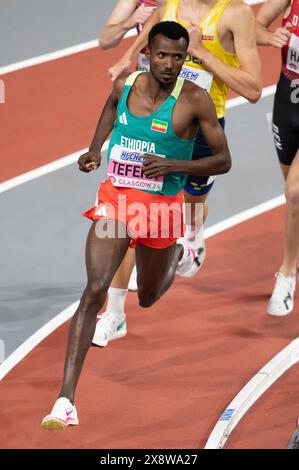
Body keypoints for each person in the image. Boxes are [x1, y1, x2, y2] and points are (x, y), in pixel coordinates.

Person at [41, 21, 231, 430]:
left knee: (146, 297)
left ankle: (179, 251)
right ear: (147, 52)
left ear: (186, 57)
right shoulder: (125, 84)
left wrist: (174, 164)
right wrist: (94, 149)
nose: (169, 64)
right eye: (162, 55)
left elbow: (223, 160)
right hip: (117, 203)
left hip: (162, 212)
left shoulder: (195, 100)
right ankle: (65, 400)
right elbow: (110, 107)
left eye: (178, 57)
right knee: (94, 289)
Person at [93, 0, 262, 348]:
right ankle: (114, 312)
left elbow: (254, 89)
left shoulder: (236, 14)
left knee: (193, 203)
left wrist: (202, 52)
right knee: (130, 210)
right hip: (157, 120)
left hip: (200, 122)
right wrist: (125, 61)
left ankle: (190, 237)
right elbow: (148, 42)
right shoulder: (170, 4)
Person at [97, 1, 160, 339]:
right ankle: (116, 313)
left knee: (177, 197)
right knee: (131, 197)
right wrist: (126, 25)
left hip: (183, 99)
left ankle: (189, 233)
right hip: (143, 97)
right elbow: (104, 39)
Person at [256, 0, 299, 316]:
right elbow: (255, 25)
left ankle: (286, 274)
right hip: (288, 104)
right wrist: (270, 35)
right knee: (294, 201)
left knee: (295, 194)